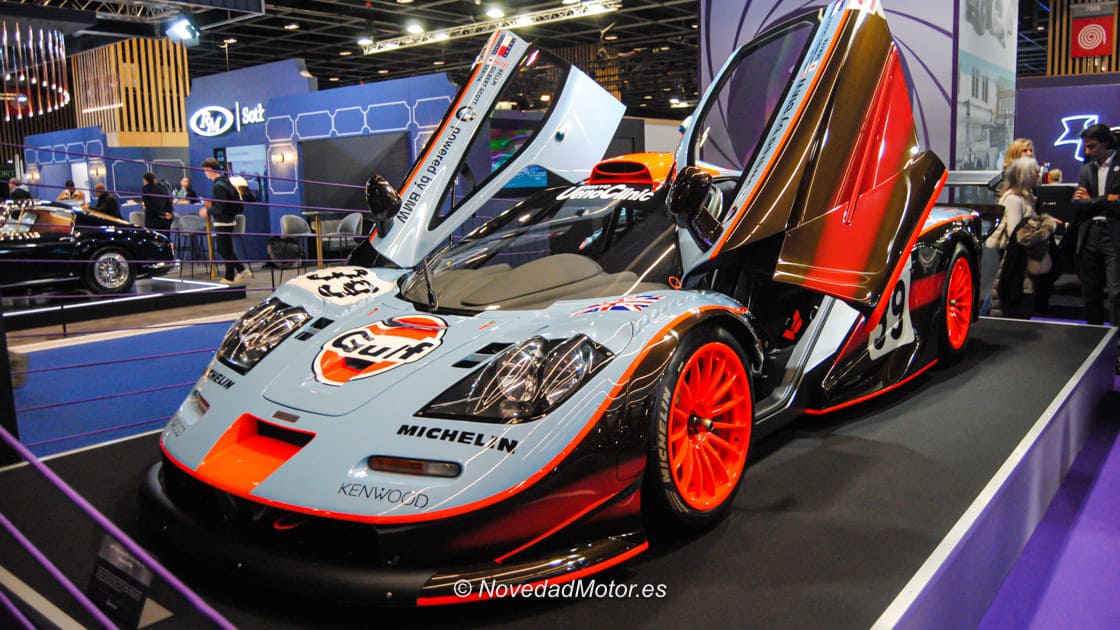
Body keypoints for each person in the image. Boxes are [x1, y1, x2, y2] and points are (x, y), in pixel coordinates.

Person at [1070, 123, 1120, 373]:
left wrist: (1091, 202)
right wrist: (1105, 202)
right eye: (1086, 146)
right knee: (1090, 293)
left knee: (1116, 293)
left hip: (1114, 237)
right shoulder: (1086, 169)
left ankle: (1117, 348)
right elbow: (1077, 205)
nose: (1087, 151)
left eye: (1092, 146)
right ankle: (1094, 346)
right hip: (1089, 235)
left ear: (1106, 144)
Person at [987, 156, 1058, 319]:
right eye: (1035, 171)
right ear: (1025, 174)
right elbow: (1015, 233)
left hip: (1025, 258)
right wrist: (1044, 227)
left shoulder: (1028, 197)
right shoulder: (1014, 199)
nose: (1038, 174)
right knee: (1013, 298)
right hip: (1017, 260)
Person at [199, 158, 252, 285]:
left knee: (224, 249)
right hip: (229, 220)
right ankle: (234, 274)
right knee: (226, 249)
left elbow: (220, 206)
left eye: (205, 170)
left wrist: (208, 211)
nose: (205, 173)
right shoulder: (226, 182)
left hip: (223, 221)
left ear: (210, 169)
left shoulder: (218, 185)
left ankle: (237, 273)